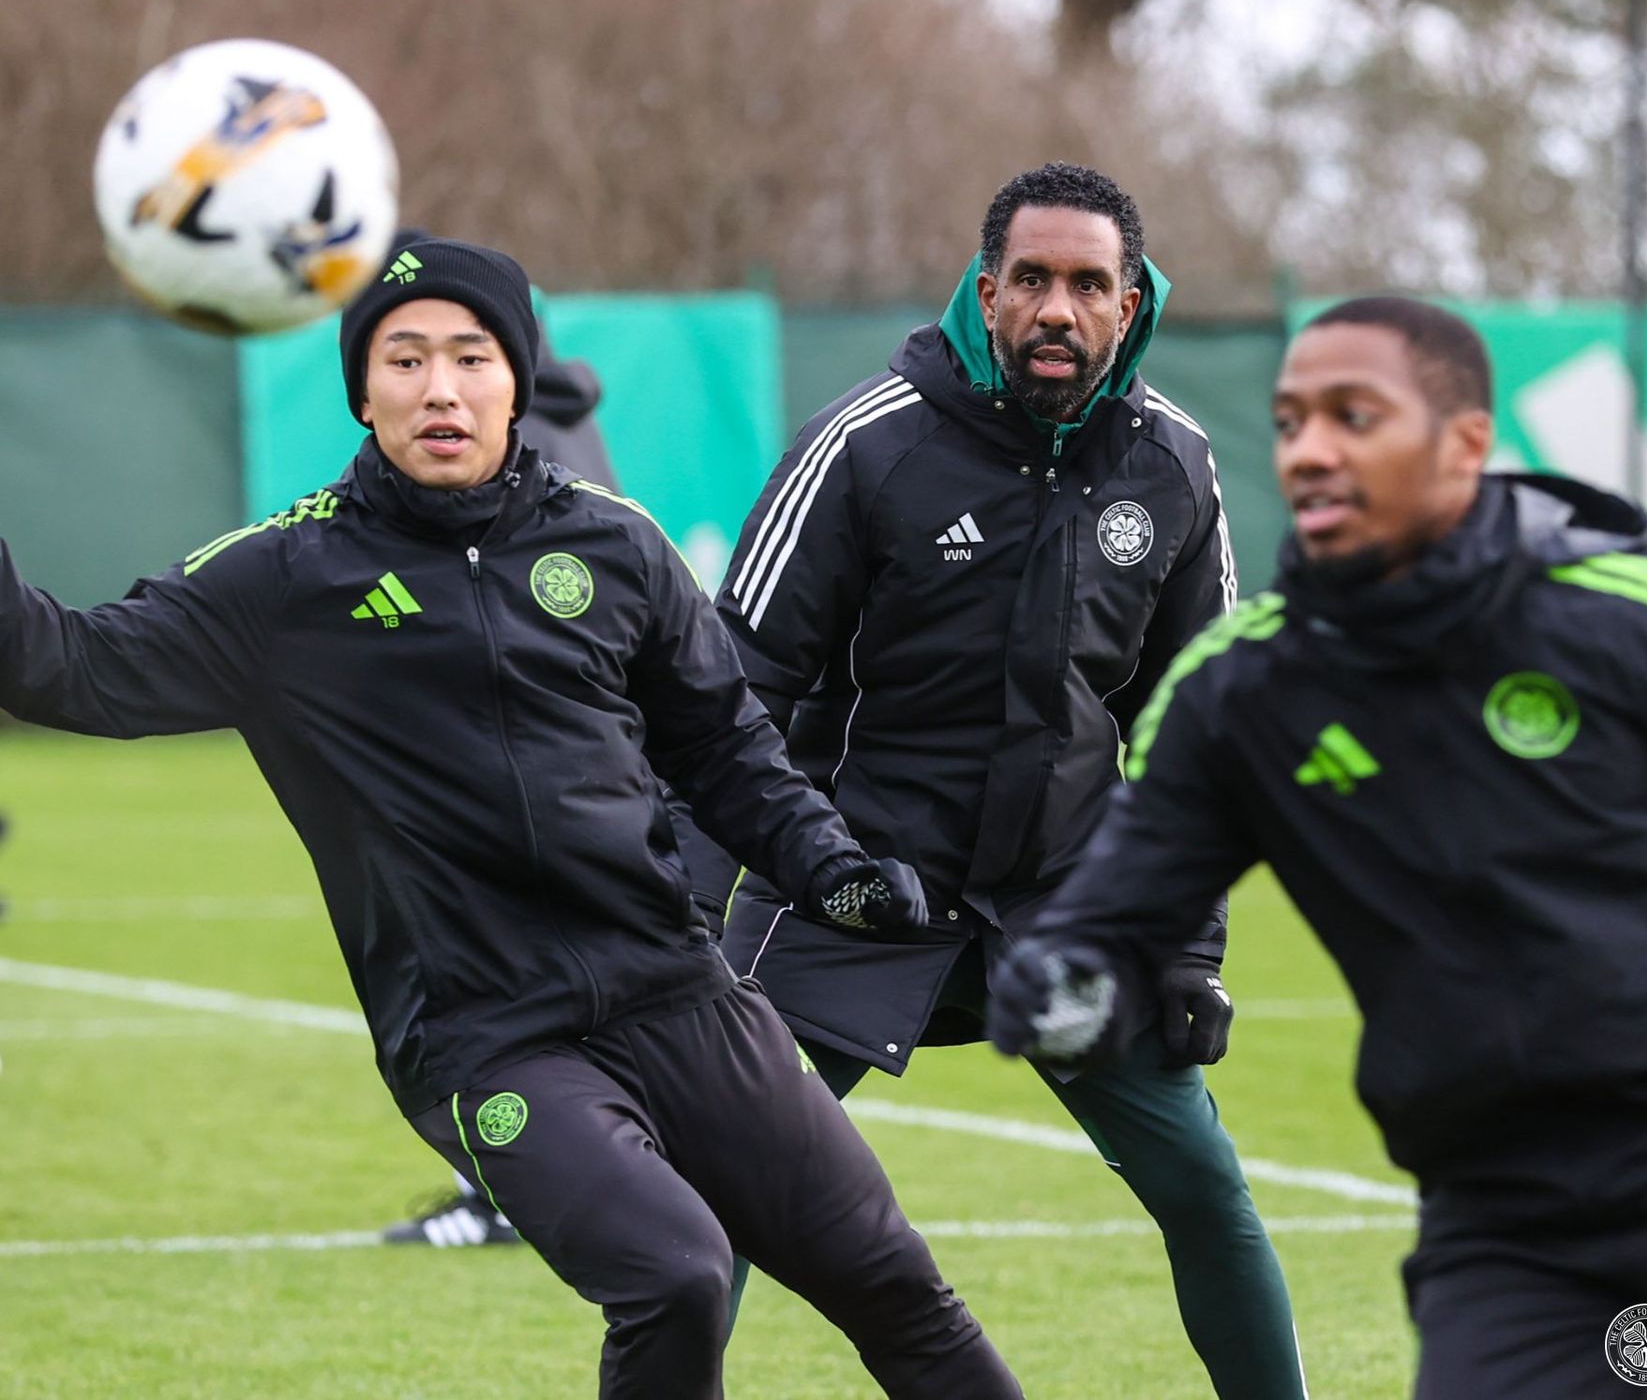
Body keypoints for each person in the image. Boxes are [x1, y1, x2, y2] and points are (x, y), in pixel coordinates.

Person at [0, 236, 1024, 1400]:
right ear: (364, 391)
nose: (440, 388)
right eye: (405, 360)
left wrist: (832, 866)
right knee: (677, 1272)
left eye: (471, 356)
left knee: (894, 1281)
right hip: (487, 1034)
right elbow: (61, 665)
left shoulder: (616, 542)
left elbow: (728, 750)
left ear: (517, 379)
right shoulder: (286, 578)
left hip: (680, 992)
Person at [989, 295, 1647, 1398]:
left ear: (1465, 443)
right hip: (1509, 1221)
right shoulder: (1243, 692)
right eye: (1291, 423)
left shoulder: (1620, 613)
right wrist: (1063, 981)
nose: (1310, 450)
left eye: (1353, 417)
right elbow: (1118, 907)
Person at [698, 163, 1306, 1397]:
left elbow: (1194, 735)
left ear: (1131, 303)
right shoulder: (866, 444)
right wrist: (690, 910)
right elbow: (725, 692)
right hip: (850, 885)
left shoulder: (1175, 467)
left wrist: (1189, 949)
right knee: (716, 1188)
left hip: (1067, 900)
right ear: (987, 292)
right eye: (1032, 279)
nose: (1057, 309)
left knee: (1204, 1186)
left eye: (1088, 284)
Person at [374, 231, 615, 1248]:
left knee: (476, 994)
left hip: (524, 770)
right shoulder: (565, 415)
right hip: (572, 762)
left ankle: (509, 1194)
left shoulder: (510, 448)